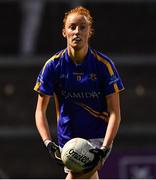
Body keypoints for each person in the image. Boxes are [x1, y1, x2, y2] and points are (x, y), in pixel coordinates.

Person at [34, 6, 124, 179]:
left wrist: (105, 148)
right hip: (68, 139)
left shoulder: (104, 66)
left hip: (98, 137)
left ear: (90, 32)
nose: (77, 32)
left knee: (78, 174)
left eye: (82, 27)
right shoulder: (53, 66)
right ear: (64, 32)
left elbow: (115, 113)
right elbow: (40, 111)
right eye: (72, 27)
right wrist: (48, 143)